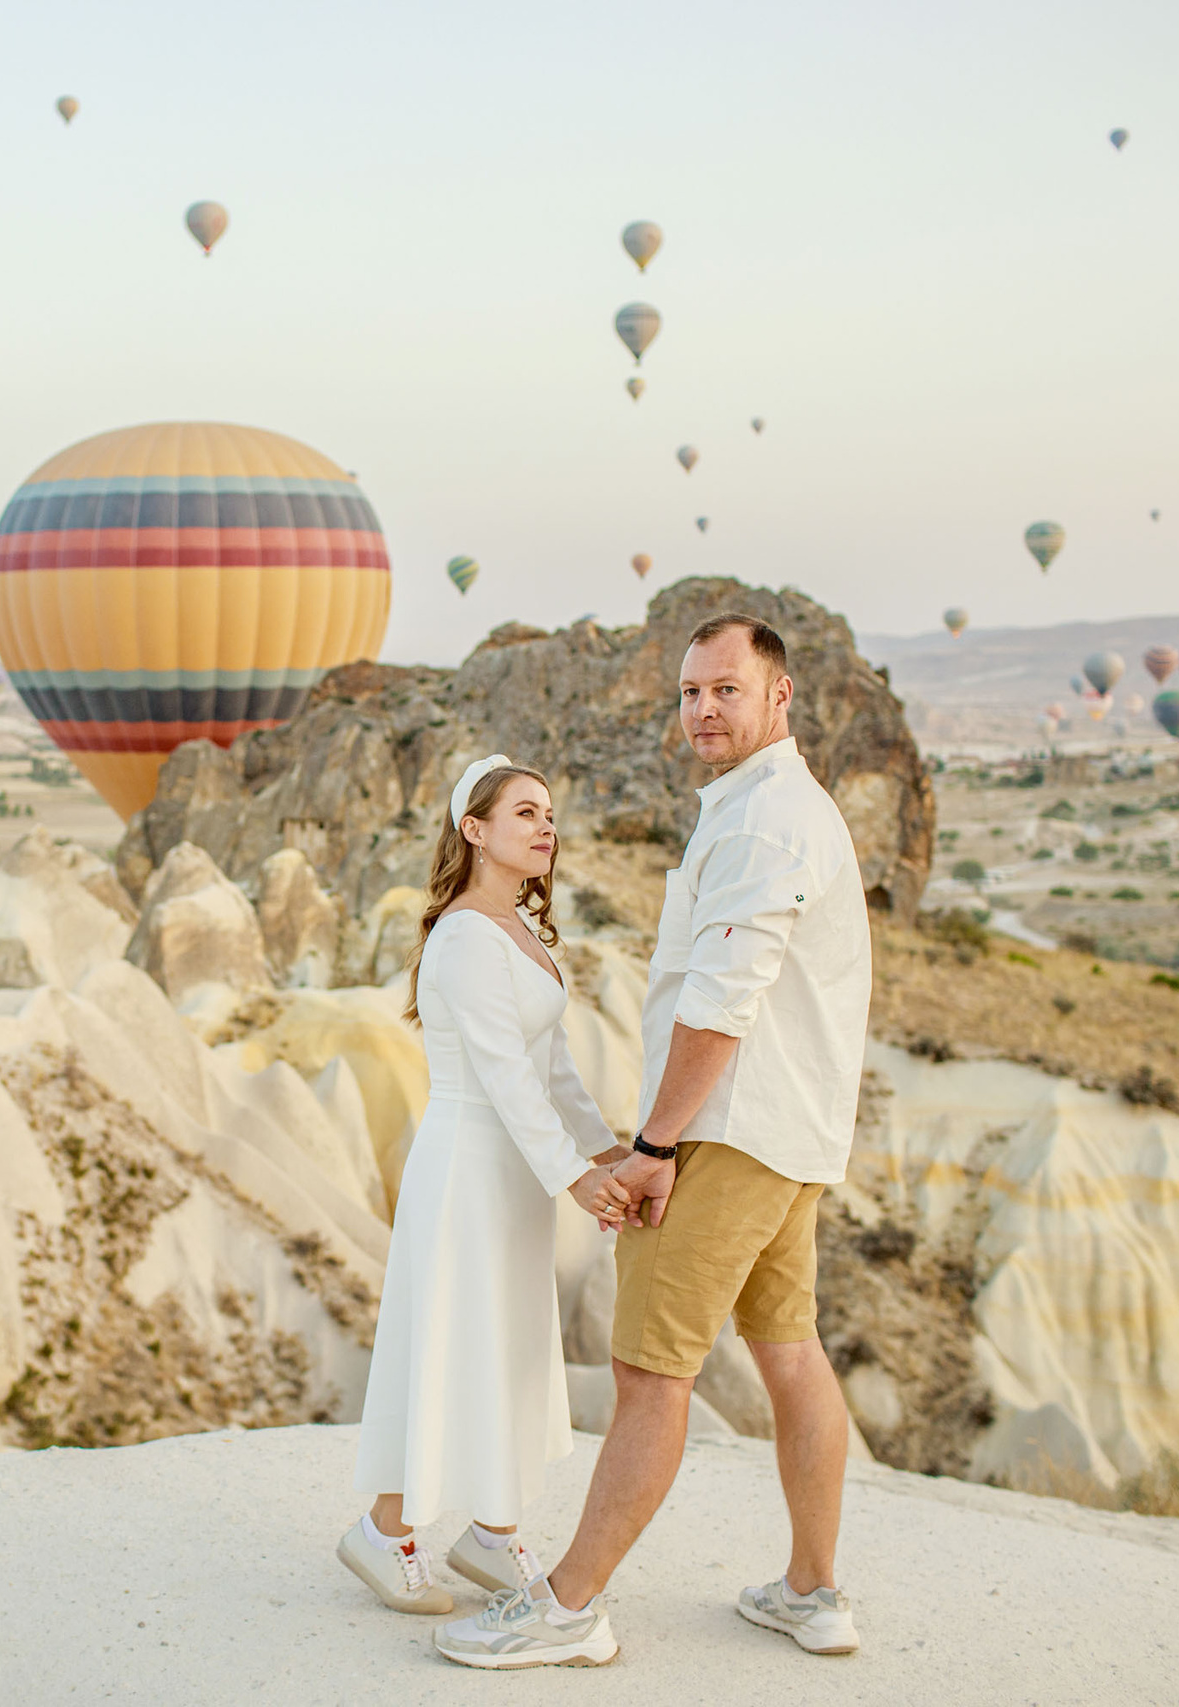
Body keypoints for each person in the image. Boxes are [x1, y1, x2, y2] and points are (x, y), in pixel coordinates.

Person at [435, 614, 872, 1669]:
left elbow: (720, 1005)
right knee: (789, 1352)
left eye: (725, 689)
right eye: (688, 693)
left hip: (725, 1136)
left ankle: (566, 1608)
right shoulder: (780, 808)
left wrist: (655, 1146)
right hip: (792, 1135)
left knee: (647, 1372)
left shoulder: (765, 823)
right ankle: (812, 1592)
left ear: (778, 697)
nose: (703, 710)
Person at [340, 755, 634, 1643]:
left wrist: (606, 1145)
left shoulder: (524, 931)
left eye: (549, 813)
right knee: (445, 1340)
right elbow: (504, 1076)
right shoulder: (467, 935)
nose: (546, 827)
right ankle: (383, 1532)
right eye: (524, 813)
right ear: (474, 830)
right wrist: (577, 1176)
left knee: (508, 1345)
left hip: (516, 1175)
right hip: (469, 1164)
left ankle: (493, 1531)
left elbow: (552, 1067)